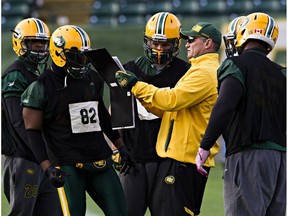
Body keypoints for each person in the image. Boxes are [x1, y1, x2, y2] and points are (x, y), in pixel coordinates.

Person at [21, 25, 137, 216]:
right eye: (76, 56)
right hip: (67, 165)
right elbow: (32, 131)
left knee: (120, 212)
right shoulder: (41, 87)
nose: (82, 61)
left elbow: (101, 115)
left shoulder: (92, 78)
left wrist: (121, 147)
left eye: (84, 55)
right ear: (58, 53)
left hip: (99, 159)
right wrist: (47, 167)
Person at [115, 22, 222, 216]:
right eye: (155, 42)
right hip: (147, 155)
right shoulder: (195, 70)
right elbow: (165, 109)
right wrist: (117, 148)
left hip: (180, 159)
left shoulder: (199, 72)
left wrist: (136, 86)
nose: (187, 44)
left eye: (191, 40)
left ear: (207, 43)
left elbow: (171, 101)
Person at [195, 12, 286, 216]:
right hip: (281, 158)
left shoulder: (236, 64)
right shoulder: (283, 73)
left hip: (248, 155)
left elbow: (224, 106)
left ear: (243, 34)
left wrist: (205, 145)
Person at [114, 12, 190, 216]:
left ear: (176, 44)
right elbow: (117, 114)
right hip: (134, 156)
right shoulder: (129, 69)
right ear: (146, 41)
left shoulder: (186, 73)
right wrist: (116, 149)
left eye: (165, 44)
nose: (159, 48)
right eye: (155, 43)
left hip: (169, 158)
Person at [1, 17, 63, 216]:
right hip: (24, 157)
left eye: (43, 42)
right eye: (32, 42)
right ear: (20, 43)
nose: (38, 47)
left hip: (41, 160)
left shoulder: (37, 74)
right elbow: (19, 122)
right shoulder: (16, 75)